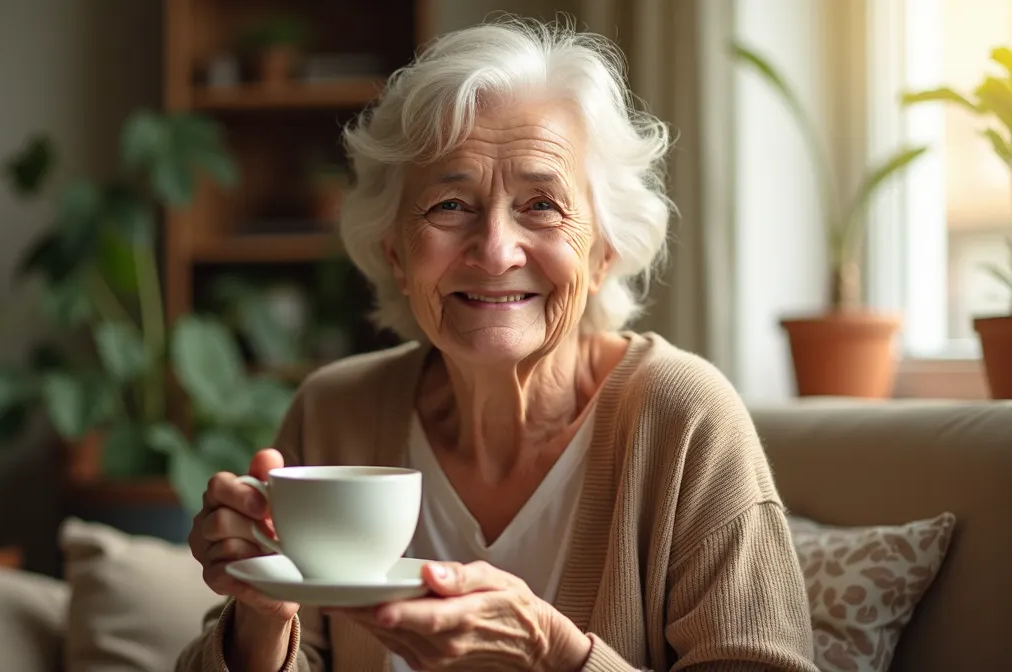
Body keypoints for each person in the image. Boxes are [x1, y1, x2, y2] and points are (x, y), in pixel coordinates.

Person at [178, 17, 816, 672]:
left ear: (603, 253)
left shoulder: (684, 421)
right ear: (396, 253)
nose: (494, 250)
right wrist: (263, 612)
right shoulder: (334, 413)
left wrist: (553, 651)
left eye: (541, 204)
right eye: (450, 205)